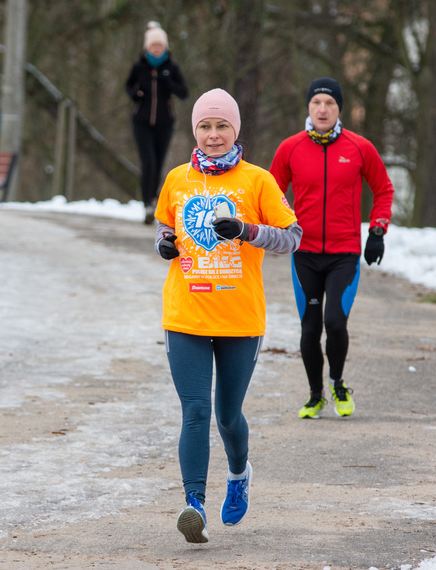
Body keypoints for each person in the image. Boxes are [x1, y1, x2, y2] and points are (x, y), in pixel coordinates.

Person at [154, 88, 302, 543]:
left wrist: (246, 230)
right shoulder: (178, 179)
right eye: (204, 126)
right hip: (186, 314)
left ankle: (238, 474)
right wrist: (164, 243)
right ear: (194, 131)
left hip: (240, 318)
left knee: (227, 415)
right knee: (195, 410)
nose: (213, 135)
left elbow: (291, 236)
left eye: (221, 126)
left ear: (235, 130)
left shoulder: (257, 181)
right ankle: (193, 504)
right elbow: (166, 224)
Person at [269, 77, 394, 420]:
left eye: (330, 103)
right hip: (304, 253)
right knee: (310, 328)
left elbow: (383, 189)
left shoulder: (359, 148)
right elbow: (269, 193)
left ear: (339, 109)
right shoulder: (290, 148)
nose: (322, 109)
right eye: (316, 103)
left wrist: (377, 231)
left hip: (344, 254)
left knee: (335, 323)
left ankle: (338, 382)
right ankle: (315, 394)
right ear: (308, 108)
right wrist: (271, 231)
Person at [125, 21, 189, 224]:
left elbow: (184, 92)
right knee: (149, 162)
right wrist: (135, 95)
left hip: (165, 123)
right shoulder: (139, 66)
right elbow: (128, 85)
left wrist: (167, 82)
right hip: (141, 121)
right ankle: (147, 204)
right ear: (147, 47)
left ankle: (153, 199)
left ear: (165, 47)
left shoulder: (171, 67)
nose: (157, 49)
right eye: (153, 46)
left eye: (160, 46)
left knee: (159, 163)